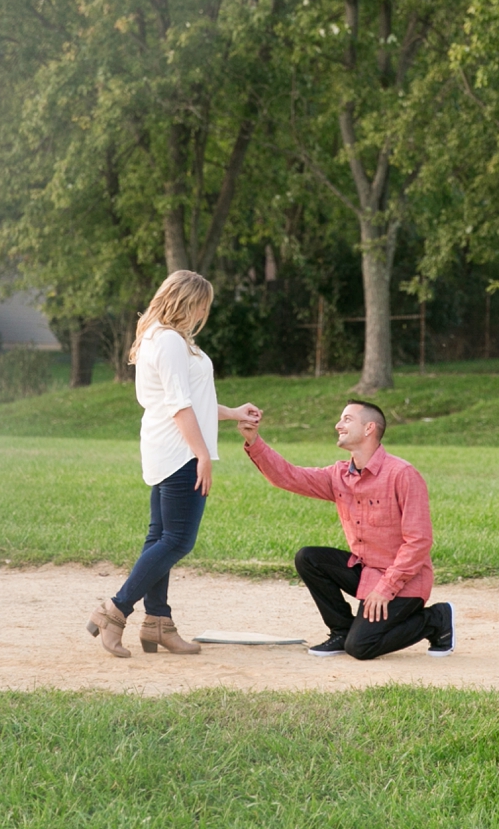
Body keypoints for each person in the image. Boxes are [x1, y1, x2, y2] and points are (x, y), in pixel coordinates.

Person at [87, 270, 262, 659]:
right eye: (203, 304)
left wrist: (233, 413)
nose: (205, 311)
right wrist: (202, 454)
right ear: (188, 301)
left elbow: (191, 400)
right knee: (177, 540)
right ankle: (114, 611)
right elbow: (180, 407)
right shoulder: (167, 341)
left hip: (169, 447)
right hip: (179, 451)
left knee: (160, 538)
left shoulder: (166, 339)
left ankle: (158, 624)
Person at [237, 401, 454, 660]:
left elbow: (418, 542)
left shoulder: (402, 474)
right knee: (309, 558)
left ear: (369, 428)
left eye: (347, 419)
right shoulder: (338, 475)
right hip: (367, 572)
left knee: (361, 647)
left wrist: (386, 588)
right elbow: (289, 476)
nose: (338, 425)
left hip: (406, 581)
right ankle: (341, 630)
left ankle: (435, 618)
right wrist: (254, 440)